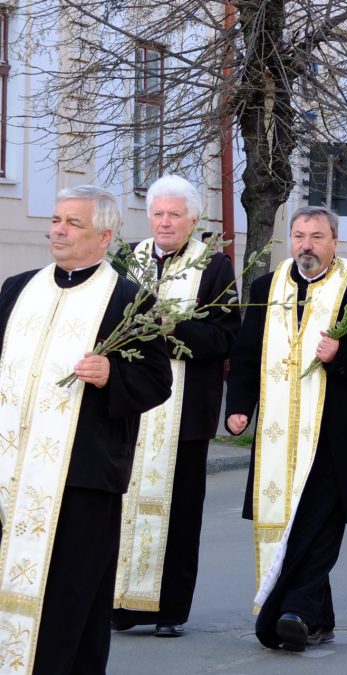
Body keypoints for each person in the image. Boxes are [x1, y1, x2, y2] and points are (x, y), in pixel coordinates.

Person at [0, 185, 172, 673]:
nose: (58, 229)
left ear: (105, 235)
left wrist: (112, 375)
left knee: (75, 597)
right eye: (56, 219)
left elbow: (157, 382)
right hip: (11, 472)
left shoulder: (128, 299)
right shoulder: (17, 288)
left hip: (83, 476)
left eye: (73, 223)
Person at [225, 206, 347, 651]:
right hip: (278, 436)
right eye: (299, 235)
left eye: (317, 236)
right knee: (288, 523)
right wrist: (239, 406)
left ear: (335, 242)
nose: (306, 245)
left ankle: (296, 609)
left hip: (334, 433)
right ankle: (314, 617)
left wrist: (341, 355)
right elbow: (247, 354)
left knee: (319, 522)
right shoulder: (268, 286)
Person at [112, 176, 240, 638]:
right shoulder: (129, 257)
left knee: (180, 512)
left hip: (184, 412)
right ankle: (122, 603)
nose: (165, 223)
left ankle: (170, 610)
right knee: (123, 507)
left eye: (174, 215)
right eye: (158, 214)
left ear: (192, 219)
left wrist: (169, 328)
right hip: (129, 406)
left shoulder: (214, 265)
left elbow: (224, 336)